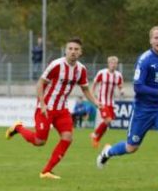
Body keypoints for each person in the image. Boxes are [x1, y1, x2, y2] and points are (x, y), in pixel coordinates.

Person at [6, 37, 101, 179]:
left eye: (76, 49)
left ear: (80, 52)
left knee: (67, 137)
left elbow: (85, 89)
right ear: (65, 50)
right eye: (70, 49)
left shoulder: (81, 70)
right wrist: (43, 104)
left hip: (62, 110)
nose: (73, 52)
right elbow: (40, 84)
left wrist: (96, 102)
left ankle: (46, 171)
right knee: (40, 141)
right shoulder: (56, 65)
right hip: (46, 108)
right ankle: (18, 128)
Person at [97, 26, 158, 186]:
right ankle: (108, 152)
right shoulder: (145, 60)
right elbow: (138, 87)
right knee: (131, 147)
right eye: (156, 38)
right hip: (143, 110)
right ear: (151, 40)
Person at [90, 56, 124, 147]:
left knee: (108, 123)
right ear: (108, 64)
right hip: (102, 101)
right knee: (107, 120)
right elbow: (94, 85)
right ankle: (95, 134)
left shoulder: (118, 75)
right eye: (111, 63)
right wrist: (94, 98)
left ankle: (96, 139)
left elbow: (120, 86)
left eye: (115, 63)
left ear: (117, 64)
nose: (113, 65)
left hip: (111, 102)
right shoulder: (102, 73)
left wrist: (121, 91)